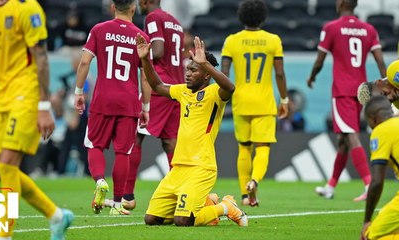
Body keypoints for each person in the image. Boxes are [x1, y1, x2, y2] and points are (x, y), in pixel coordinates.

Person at [0, 0, 74, 239]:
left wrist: (43, 106)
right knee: (0, 171)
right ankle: (57, 216)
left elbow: (41, 57)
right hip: (1, 96)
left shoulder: (28, 8)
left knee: (8, 164)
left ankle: (4, 235)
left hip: (27, 94)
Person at [137, 33, 247, 227]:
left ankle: (226, 207)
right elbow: (156, 85)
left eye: (193, 70)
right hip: (178, 168)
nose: (187, 73)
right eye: (187, 69)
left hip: (201, 168)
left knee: (183, 221)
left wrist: (206, 64)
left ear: (206, 74)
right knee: (151, 219)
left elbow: (230, 87)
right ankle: (206, 203)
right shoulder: (183, 91)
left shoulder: (214, 93)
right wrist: (146, 59)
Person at [74, 0, 151, 216]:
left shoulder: (99, 30)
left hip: (102, 98)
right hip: (128, 101)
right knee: (123, 152)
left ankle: (100, 181)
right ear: (134, 9)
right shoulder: (141, 37)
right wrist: (146, 107)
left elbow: (84, 62)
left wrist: (78, 92)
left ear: (112, 7)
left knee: (95, 145)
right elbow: (145, 78)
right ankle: (117, 203)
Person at [306, 0, 386, 201]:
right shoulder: (369, 29)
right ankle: (330, 186)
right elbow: (380, 60)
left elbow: (319, 60)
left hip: (342, 90)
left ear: (340, 3)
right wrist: (387, 83)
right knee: (343, 139)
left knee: (350, 134)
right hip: (361, 90)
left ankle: (369, 184)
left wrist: (312, 76)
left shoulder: (332, 27)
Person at [220, 0, 289, 207]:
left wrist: (222, 99)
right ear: (263, 17)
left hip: (241, 102)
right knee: (263, 148)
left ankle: (243, 194)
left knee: (244, 148)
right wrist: (284, 99)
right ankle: (255, 181)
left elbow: (224, 73)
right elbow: (279, 73)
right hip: (264, 103)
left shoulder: (231, 41)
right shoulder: (273, 40)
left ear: (241, 16)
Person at [118, 0, 185, 211]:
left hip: (159, 86)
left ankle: (127, 196)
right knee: (170, 143)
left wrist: (137, 52)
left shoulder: (153, 18)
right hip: (177, 87)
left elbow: (157, 51)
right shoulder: (176, 22)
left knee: (135, 135)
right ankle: (180, 193)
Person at [360, 95, 399, 240]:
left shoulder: (380, 131)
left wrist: (366, 221)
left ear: (372, 119)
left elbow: (376, 182)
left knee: (370, 235)